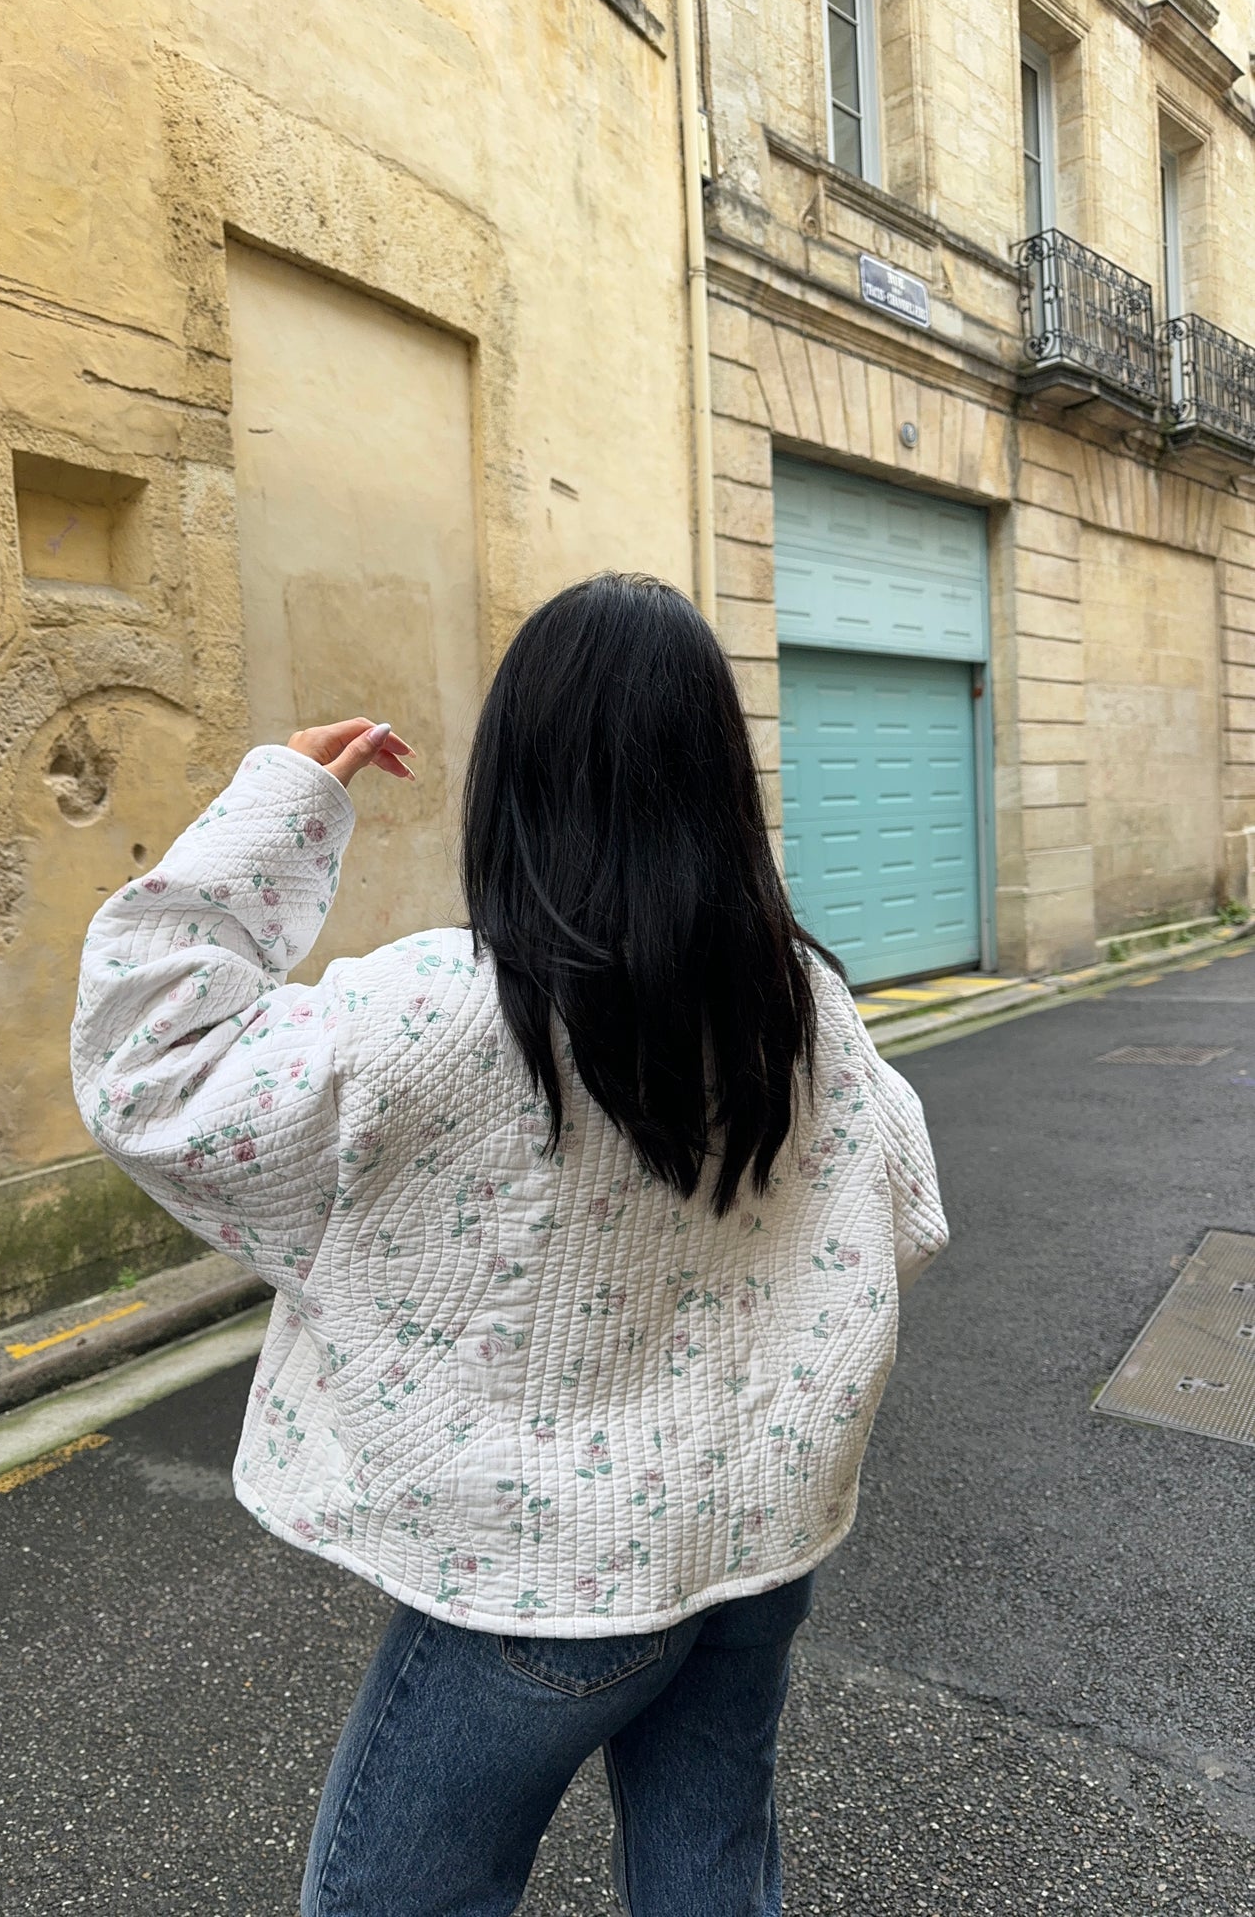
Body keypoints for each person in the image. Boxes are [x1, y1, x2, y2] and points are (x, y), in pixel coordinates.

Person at [71, 572, 947, 1917]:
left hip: (540, 1587)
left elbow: (151, 1063)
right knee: (711, 1866)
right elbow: (902, 1212)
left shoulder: (439, 1014)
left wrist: (276, 807)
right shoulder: (802, 1000)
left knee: (390, 1899)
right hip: (753, 1542)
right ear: (718, 776)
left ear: (517, 774)